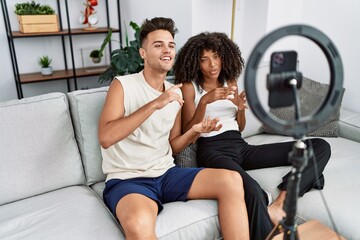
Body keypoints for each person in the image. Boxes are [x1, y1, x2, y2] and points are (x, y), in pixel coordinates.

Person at [98, 18, 250, 240]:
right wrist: (155, 104)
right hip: (129, 180)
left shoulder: (175, 92)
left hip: (167, 174)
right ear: (143, 53)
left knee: (232, 180)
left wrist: (195, 130)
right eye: (158, 45)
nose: (166, 50)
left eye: (170, 45)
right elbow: (106, 137)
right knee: (138, 224)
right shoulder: (122, 85)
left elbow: (174, 145)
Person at [173, 31, 331, 240]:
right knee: (254, 191)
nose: (212, 64)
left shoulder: (230, 81)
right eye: (205, 59)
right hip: (212, 151)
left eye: (216, 57)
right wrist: (205, 102)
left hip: (240, 146)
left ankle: (279, 204)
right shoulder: (190, 87)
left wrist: (240, 109)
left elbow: (239, 127)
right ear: (195, 62)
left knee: (318, 147)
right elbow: (189, 133)